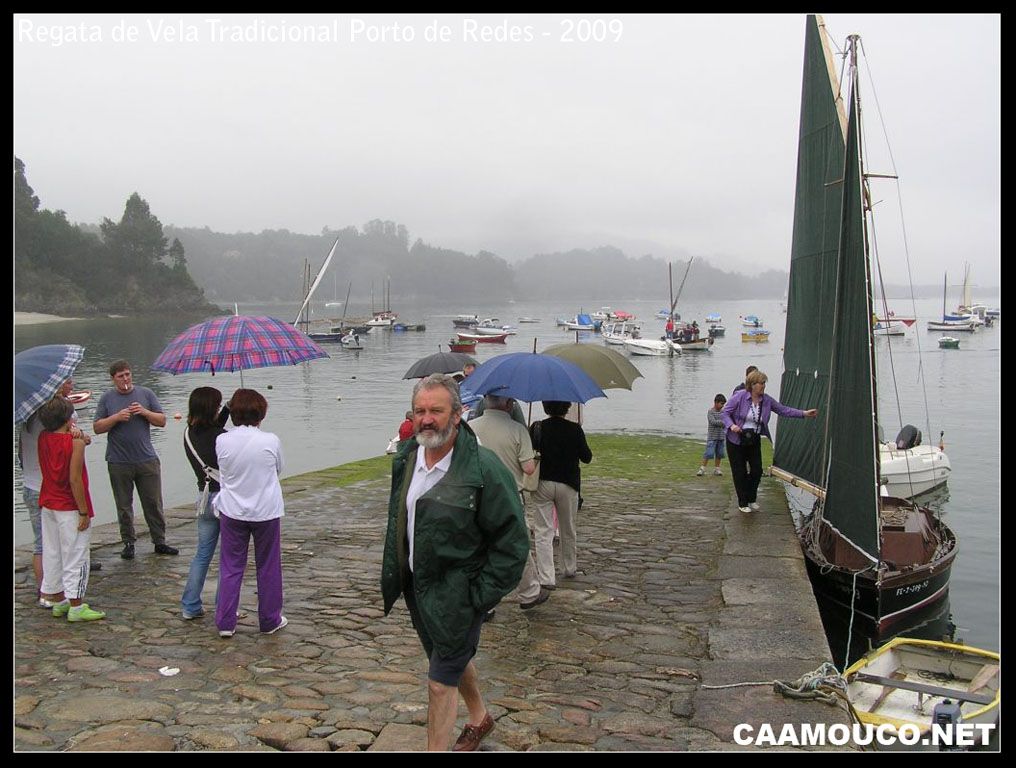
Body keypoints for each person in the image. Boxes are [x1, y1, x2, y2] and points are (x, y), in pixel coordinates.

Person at [381, 374, 528, 751]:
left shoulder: (484, 470)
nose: (427, 419)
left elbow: (512, 543)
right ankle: (480, 717)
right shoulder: (409, 458)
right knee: (448, 655)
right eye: (420, 411)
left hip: (460, 593)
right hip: (419, 586)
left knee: (438, 679)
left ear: (459, 413)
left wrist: (479, 595)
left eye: (436, 411)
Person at [213, 388, 287, 638]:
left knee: (231, 566)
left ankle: (225, 621)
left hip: (232, 509)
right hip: (265, 510)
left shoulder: (221, 440)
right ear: (260, 413)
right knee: (268, 566)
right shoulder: (271, 441)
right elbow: (278, 468)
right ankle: (269, 618)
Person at [469, 394, 548, 609]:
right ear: (508, 404)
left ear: (485, 401)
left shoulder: (470, 427)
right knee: (516, 545)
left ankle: (485, 601)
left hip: (476, 494)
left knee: (480, 547)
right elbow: (529, 468)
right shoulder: (517, 429)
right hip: (509, 495)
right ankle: (529, 592)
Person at [93, 360, 178, 559]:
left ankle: (160, 541)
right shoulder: (107, 398)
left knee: (153, 502)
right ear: (113, 378)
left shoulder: (146, 393)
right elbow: (97, 427)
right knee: (123, 504)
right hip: (118, 461)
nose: (126, 379)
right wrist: (115, 418)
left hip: (146, 458)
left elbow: (162, 421)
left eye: (128, 374)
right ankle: (129, 543)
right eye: (121, 376)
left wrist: (145, 412)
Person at [35, 396, 105, 622]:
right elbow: (75, 479)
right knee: (76, 553)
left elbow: (69, 436)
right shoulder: (73, 443)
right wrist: (83, 511)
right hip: (69, 505)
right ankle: (76, 603)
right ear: (67, 419)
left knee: (53, 552)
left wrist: (77, 433)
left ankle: (58, 598)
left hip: (48, 503)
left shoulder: (42, 437)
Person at [722, 370, 818, 514]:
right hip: (736, 440)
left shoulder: (766, 400)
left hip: (753, 439)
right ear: (753, 385)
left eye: (764, 383)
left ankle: (751, 498)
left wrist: (804, 413)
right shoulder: (740, 396)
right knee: (739, 472)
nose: (763, 386)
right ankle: (743, 502)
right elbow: (725, 412)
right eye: (761, 383)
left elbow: (783, 410)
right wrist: (732, 425)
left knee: (757, 470)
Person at [529, 401, 593, 588]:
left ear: (545, 407)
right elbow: (587, 457)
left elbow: (528, 451)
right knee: (568, 527)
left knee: (543, 530)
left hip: (543, 482)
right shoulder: (574, 429)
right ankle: (569, 567)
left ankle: (547, 576)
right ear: (566, 408)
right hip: (568, 483)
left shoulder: (538, 427)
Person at [180, 387, 230, 620]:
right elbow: (219, 435)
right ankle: (224, 605)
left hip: (204, 498)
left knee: (202, 554)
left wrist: (228, 409)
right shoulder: (223, 437)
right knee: (229, 557)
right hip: (224, 500)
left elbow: (212, 429)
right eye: (218, 405)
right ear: (212, 408)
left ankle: (190, 605)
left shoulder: (188, 433)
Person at [697, 394, 727, 476]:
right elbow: (713, 422)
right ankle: (702, 468)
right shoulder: (710, 412)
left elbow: (726, 420)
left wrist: (725, 422)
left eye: (723, 404)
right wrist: (723, 422)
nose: (722, 406)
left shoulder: (723, 412)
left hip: (721, 436)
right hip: (712, 437)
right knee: (708, 453)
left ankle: (717, 469)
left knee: (719, 453)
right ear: (716, 402)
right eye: (721, 403)